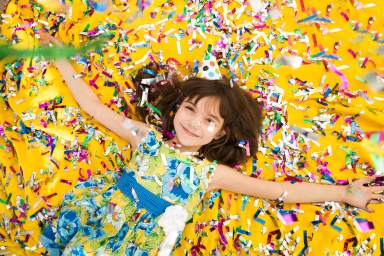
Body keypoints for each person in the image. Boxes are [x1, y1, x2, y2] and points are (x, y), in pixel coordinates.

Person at [39, 40, 384, 255]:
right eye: (190, 109)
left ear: (219, 134)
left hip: (140, 245)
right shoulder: (145, 137)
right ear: (176, 109)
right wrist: (64, 64)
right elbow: (96, 110)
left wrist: (342, 194)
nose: (193, 123)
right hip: (99, 218)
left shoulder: (211, 174)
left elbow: (280, 191)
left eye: (209, 121)